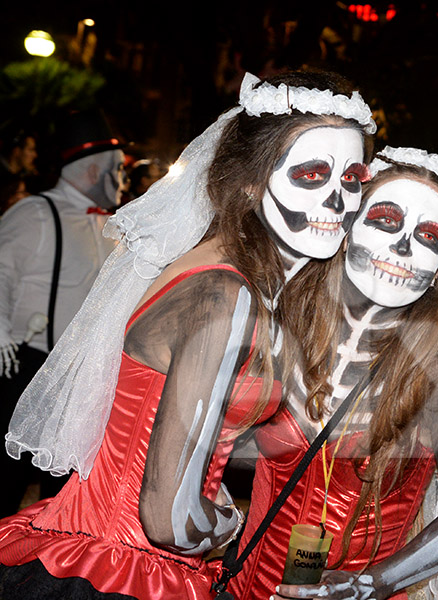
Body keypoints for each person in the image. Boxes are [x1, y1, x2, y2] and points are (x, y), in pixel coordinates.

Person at [0, 69, 378, 600]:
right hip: (121, 570)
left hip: (96, 551)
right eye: (311, 175)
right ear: (247, 180)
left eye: (352, 179)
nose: (338, 202)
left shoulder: (223, 271)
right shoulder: (227, 297)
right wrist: (229, 524)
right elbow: (169, 521)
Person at [228, 147, 438, 600]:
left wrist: (369, 584)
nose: (402, 247)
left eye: (427, 237)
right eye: (385, 220)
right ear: (347, 231)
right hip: (245, 586)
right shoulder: (283, 327)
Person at [0, 109, 126, 517]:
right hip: (27, 369)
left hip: (82, 380)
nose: (123, 182)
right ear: (93, 172)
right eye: (117, 171)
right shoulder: (35, 213)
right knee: (8, 482)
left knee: (62, 495)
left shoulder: (114, 224)